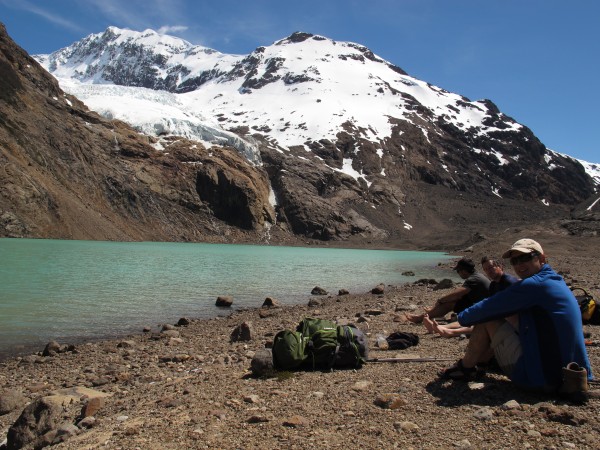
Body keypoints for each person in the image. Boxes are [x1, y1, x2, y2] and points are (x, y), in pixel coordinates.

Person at [440, 239, 593, 396]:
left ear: (541, 258)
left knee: (487, 319)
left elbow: (487, 307)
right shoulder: (554, 280)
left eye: (526, 258)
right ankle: (479, 364)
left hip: (543, 380)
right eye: (515, 261)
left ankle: (465, 368)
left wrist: (462, 317)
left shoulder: (533, 285)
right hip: (571, 376)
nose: (519, 265)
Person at [424, 256, 519, 337]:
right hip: (498, 313)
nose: (489, 271)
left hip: (511, 320)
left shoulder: (509, 282)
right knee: (473, 317)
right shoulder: (494, 284)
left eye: (491, 268)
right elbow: (490, 301)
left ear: (500, 267)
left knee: (482, 323)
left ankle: (450, 331)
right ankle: (439, 328)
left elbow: (512, 306)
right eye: (486, 269)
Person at [405, 257, 490, 328]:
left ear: (464, 271)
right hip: (483, 304)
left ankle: (420, 318)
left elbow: (457, 294)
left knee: (449, 303)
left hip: (482, 309)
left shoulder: (473, 279)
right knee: (452, 301)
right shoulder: (477, 276)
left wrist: (440, 300)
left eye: (458, 271)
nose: (458, 274)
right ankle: (430, 315)